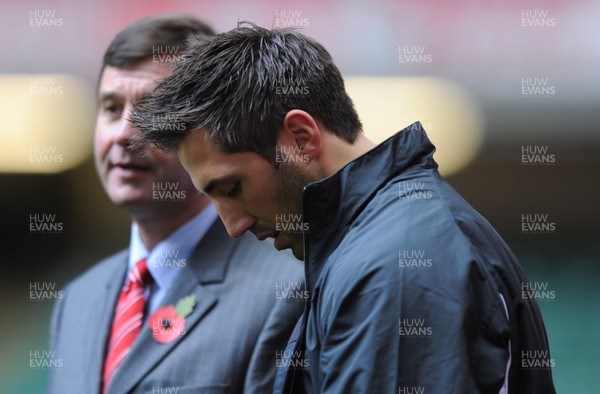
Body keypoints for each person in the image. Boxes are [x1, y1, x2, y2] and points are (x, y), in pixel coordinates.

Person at [131, 23, 558, 394]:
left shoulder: (399, 263)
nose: (233, 225)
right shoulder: (379, 242)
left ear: (300, 137)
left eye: (232, 187)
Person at [48, 16, 304, 394]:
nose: (124, 134)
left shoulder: (284, 292)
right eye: (111, 108)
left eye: (152, 111)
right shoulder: (77, 300)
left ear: (211, 129)